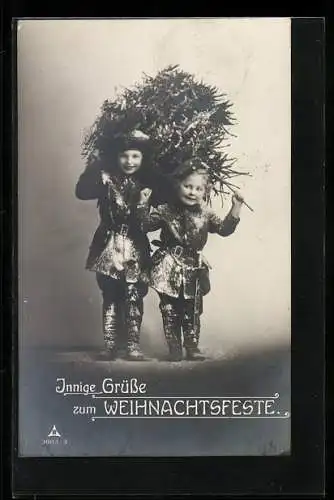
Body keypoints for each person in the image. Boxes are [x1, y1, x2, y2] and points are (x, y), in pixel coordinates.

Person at [136, 158, 244, 361]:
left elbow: (224, 229)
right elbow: (144, 225)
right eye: (187, 186)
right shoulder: (166, 210)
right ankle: (174, 347)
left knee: (193, 308)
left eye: (198, 188)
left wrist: (236, 206)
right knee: (169, 308)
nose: (192, 192)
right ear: (178, 185)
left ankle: (192, 345)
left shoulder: (206, 213)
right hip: (168, 266)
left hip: (194, 267)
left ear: (206, 191)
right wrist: (143, 202)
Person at [75, 130, 153, 361]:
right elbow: (81, 192)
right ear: (115, 157)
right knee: (109, 294)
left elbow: (168, 201)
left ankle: (133, 345)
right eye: (124, 156)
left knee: (133, 294)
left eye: (135, 156)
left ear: (143, 158)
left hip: (136, 244)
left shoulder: (149, 183)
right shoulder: (105, 177)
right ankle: (110, 345)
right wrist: (95, 164)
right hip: (108, 243)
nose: (129, 161)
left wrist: (143, 203)